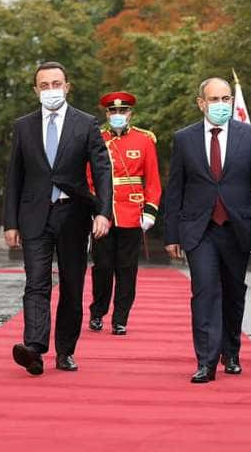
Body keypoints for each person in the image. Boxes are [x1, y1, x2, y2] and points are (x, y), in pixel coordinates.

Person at [163, 77, 251, 383]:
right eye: (214, 100)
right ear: (201, 103)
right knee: (204, 290)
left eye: (226, 99)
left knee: (233, 291)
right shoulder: (184, 139)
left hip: (237, 227)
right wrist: (171, 233)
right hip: (199, 229)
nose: (221, 105)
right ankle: (206, 360)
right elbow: (175, 188)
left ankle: (231, 350)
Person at [3, 61, 112, 375]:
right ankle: (34, 349)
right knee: (36, 282)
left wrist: (103, 212)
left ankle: (65, 351)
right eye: (44, 85)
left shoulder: (86, 124)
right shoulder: (24, 126)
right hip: (33, 214)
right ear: (36, 90)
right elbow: (14, 176)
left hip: (72, 214)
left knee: (72, 284)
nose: (51, 90)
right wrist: (10, 222)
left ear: (67, 87)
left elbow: (102, 171)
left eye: (56, 84)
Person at [87, 91, 161, 336]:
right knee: (102, 267)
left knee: (127, 269)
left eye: (123, 110)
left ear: (131, 113)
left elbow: (153, 181)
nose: (118, 114)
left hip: (132, 213)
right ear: (107, 114)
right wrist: (93, 209)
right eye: (113, 111)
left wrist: (150, 211)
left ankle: (120, 318)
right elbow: (88, 179)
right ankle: (98, 313)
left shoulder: (145, 140)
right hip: (103, 214)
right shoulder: (97, 139)